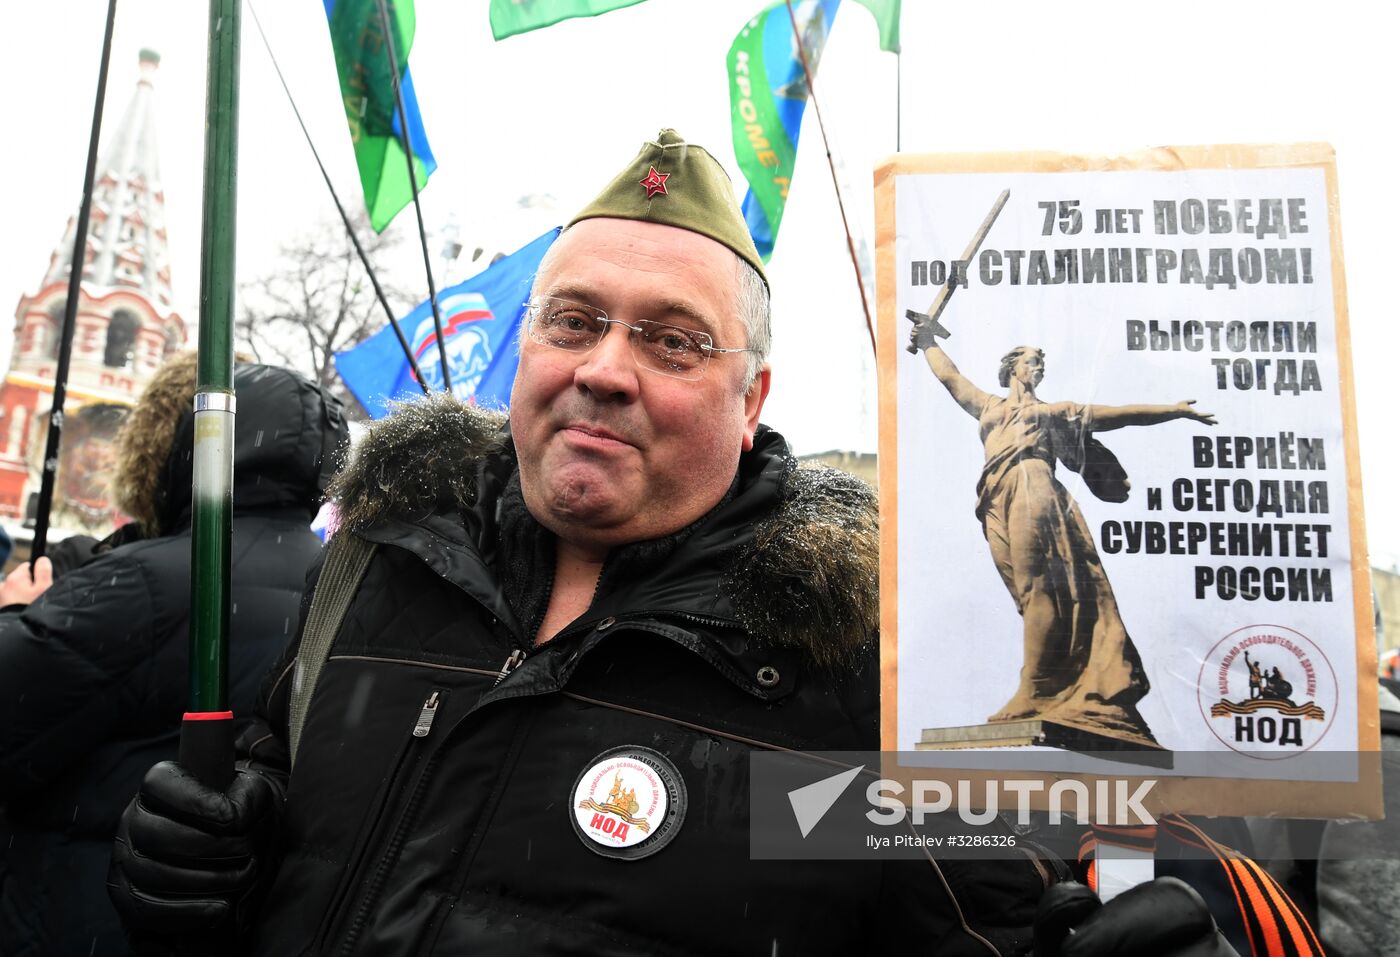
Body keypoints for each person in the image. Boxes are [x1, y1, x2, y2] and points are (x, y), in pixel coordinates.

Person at [109, 130, 1240, 956]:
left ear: (752, 403)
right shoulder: (375, 563)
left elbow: (972, 931)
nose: (604, 368)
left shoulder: (858, 677)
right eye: (574, 321)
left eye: (672, 341)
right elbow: (283, 795)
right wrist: (209, 854)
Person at [0, 354, 347, 955]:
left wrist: (13, 611)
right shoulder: (344, 586)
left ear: (190, 445)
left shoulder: (148, 582)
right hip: (219, 926)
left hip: (85, 910)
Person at [909, 330, 1215, 746]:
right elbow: (951, 377)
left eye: (1041, 364)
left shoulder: (1053, 412)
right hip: (993, 496)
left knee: (1037, 589)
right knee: (1025, 595)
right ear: (1012, 367)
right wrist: (928, 341)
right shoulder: (988, 405)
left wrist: (1173, 411)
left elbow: (1118, 415)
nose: (1039, 368)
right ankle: (1056, 684)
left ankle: (1033, 691)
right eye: (1032, 361)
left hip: (1033, 485)